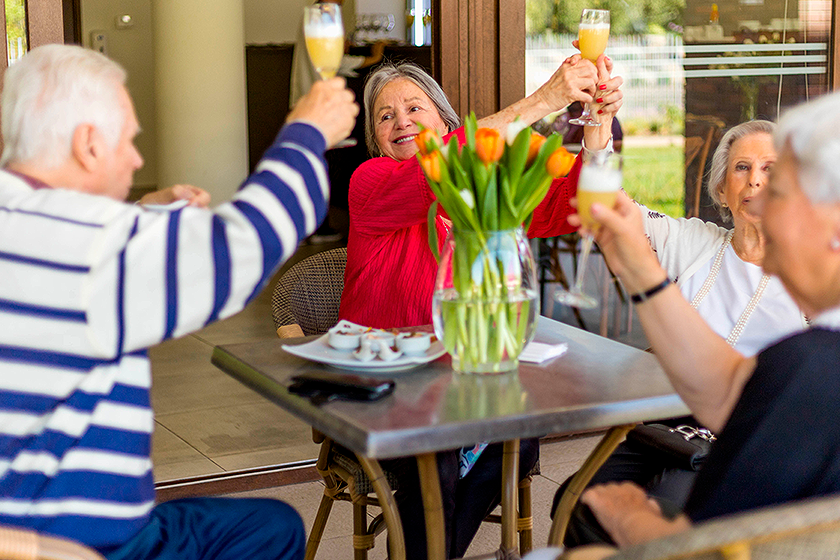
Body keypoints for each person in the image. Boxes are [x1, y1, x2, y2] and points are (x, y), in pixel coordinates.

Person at [0, 44, 357, 559]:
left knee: (267, 526)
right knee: (269, 532)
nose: (138, 158)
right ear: (89, 145)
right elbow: (245, 247)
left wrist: (143, 213)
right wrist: (306, 133)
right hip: (79, 543)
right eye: (128, 140)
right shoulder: (91, 248)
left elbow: (77, 255)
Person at [337, 58, 620, 560]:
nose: (400, 121)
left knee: (518, 442)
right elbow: (434, 171)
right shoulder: (372, 183)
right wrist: (542, 102)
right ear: (376, 139)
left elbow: (574, 206)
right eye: (384, 116)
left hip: (463, 382)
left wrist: (596, 123)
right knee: (441, 452)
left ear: (446, 123)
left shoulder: (480, 193)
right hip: (383, 382)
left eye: (413, 107)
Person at [567, 90, 840, 550]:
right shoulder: (810, 364)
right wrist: (641, 274)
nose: (760, 195)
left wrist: (631, 519)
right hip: (674, 419)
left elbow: (708, 546)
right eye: (744, 171)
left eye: (780, 192)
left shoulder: (812, 366)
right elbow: (729, 389)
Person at [291, 0, 386, 244]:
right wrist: (375, 56)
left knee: (315, 166)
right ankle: (318, 227)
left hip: (308, 102)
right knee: (321, 167)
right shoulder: (325, 14)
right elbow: (335, 64)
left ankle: (314, 226)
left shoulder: (314, 14)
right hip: (319, 105)